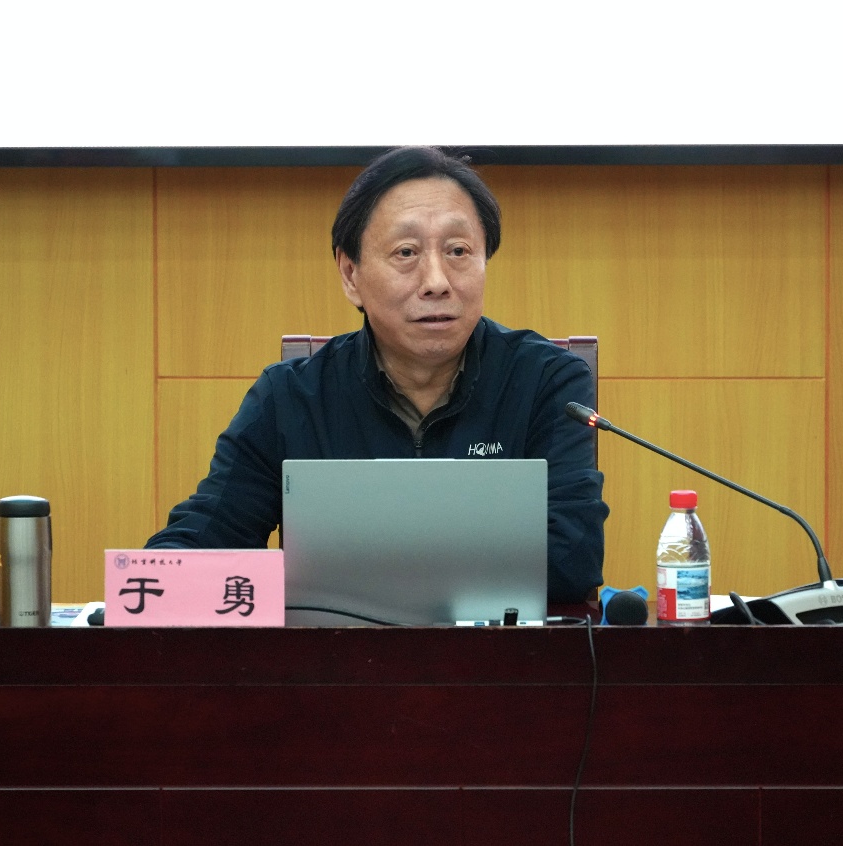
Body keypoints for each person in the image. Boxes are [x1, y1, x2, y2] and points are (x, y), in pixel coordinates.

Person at [146, 146, 608, 603]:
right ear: (351, 275)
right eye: (406, 252)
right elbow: (206, 537)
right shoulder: (292, 397)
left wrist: (350, 576)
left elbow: (572, 557)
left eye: (458, 251)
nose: (437, 281)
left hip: (497, 649)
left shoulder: (546, 383)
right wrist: (148, 583)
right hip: (340, 648)